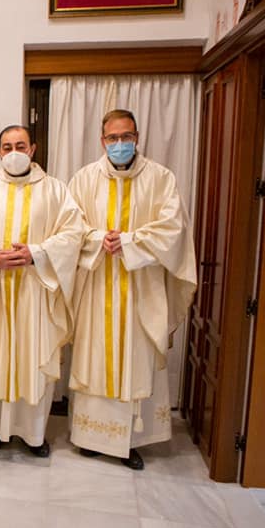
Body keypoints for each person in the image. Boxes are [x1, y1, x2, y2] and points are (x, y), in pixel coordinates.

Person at [67, 109, 196, 470]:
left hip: (141, 286)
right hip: (97, 284)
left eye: (126, 137)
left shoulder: (160, 178)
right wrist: (97, 239)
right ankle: (91, 437)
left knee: (134, 357)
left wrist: (130, 241)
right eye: (113, 138)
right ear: (102, 140)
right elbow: (71, 225)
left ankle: (130, 441)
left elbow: (173, 229)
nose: (119, 144)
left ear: (137, 138)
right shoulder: (84, 179)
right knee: (95, 356)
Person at [0, 125, 84, 457]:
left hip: (36, 288)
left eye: (20, 145)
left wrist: (37, 253)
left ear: (33, 149)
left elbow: (73, 234)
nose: (13, 151)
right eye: (6, 146)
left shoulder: (56, 191)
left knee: (33, 358)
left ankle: (32, 434)